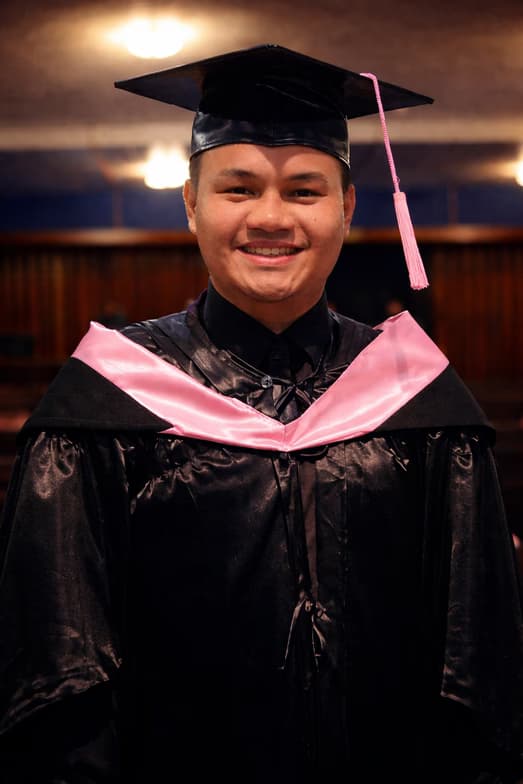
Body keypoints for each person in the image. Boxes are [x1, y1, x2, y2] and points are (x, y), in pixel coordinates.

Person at [0, 44, 522, 783]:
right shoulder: (102, 406)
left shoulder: (421, 401)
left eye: (303, 191)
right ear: (190, 204)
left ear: (346, 208)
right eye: (237, 189)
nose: (269, 217)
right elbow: (59, 671)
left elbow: (476, 657)